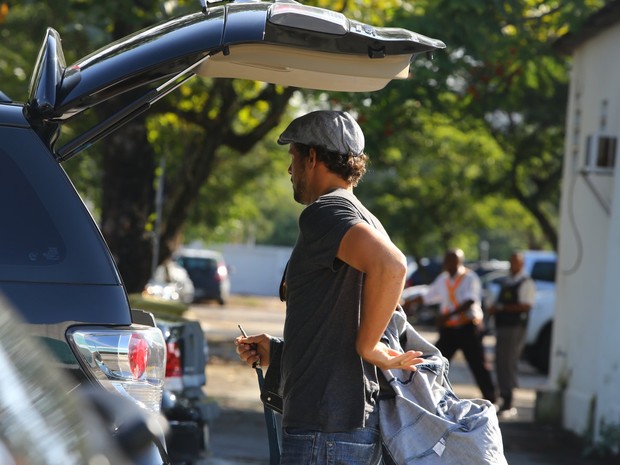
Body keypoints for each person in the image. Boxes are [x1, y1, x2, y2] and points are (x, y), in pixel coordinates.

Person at [235, 110, 423, 465]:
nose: (290, 170)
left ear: (312, 157)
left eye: (293, 158)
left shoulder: (327, 212)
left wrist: (369, 347)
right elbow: (336, 319)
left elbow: (393, 265)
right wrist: (277, 353)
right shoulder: (363, 216)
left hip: (325, 434)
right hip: (342, 427)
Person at [412, 249, 497, 403]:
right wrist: (408, 301)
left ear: (459, 262)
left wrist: (448, 315)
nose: (449, 264)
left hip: (467, 327)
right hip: (449, 329)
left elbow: (470, 300)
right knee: (436, 360)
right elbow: (429, 295)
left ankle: (491, 398)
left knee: (478, 364)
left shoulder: (469, 277)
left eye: (453, 260)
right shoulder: (443, 279)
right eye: (447, 260)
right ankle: (427, 396)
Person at [489, 251, 536, 415]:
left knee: (509, 362)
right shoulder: (507, 281)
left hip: (515, 328)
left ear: (521, 264)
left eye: (515, 262)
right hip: (502, 326)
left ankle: (509, 401)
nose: (512, 265)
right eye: (510, 262)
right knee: (501, 362)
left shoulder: (526, 282)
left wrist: (503, 308)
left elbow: (526, 306)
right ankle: (503, 397)